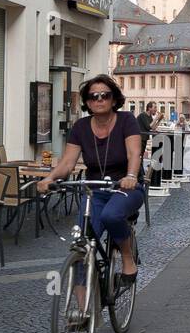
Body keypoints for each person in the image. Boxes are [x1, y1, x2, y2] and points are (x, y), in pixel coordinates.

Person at [38, 74, 145, 320]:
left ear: (113, 98)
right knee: (82, 244)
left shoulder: (127, 120)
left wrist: (130, 175)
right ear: (86, 102)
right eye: (93, 96)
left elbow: (134, 153)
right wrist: (50, 178)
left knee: (111, 215)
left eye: (104, 95)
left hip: (124, 188)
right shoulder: (80, 128)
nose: (99, 100)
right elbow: (67, 162)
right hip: (94, 189)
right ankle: (83, 310)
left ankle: (127, 258)